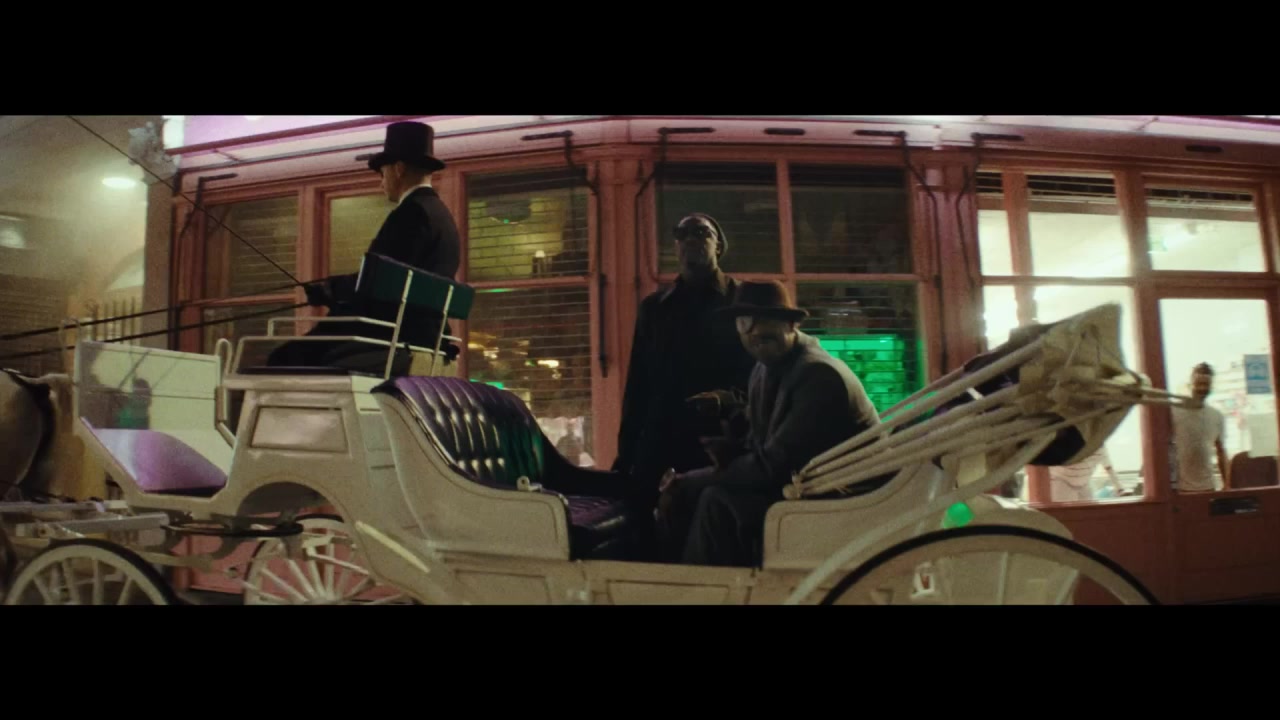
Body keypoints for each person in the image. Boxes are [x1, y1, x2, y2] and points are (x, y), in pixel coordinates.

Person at [657, 280, 880, 567]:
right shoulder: (765, 369)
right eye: (745, 323)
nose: (755, 331)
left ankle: (701, 587)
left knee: (715, 501)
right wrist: (729, 450)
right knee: (688, 494)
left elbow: (774, 466)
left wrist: (690, 481)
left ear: (791, 325)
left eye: (768, 320)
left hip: (845, 501)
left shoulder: (819, 375)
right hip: (804, 487)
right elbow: (761, 446)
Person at [266, 121, 461, 375]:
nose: (381, 183)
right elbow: (393, 278)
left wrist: (331, 290)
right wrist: (336, 288)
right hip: (427, 336)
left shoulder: (411, 213)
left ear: (398, 169)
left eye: (382, 174)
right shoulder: (442, 217)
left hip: (393, 336)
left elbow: (379, 283)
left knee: (281, 359)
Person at [613, 214, 756, 555]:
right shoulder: (655, 308)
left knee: (708, 532)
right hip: (660, 437)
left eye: (702, 232)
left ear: (718, 245)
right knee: (642, 533)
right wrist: (626, 453)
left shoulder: (741, 300)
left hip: (719, 439)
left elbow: (758, 374)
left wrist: (728, 402)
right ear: (675, 246)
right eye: (682, 233)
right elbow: (638, 384)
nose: (691, 238)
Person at [1172, 362, 1230, 492]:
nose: (1202, 388)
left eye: (1206, 384)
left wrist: (1227, 485)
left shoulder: (1217, 416)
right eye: (1198, 384)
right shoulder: (1173, 411)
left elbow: (1221, 452)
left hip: (1209, 488)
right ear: (1190, 384)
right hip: (1180, 489)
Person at [1049, 445, 1128, 502]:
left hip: (1083, 482)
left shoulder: (1101, 448)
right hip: (1061, 479)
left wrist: (1119, 488)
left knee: (1090, 510)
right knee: (1066, 514)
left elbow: (1108, 468)